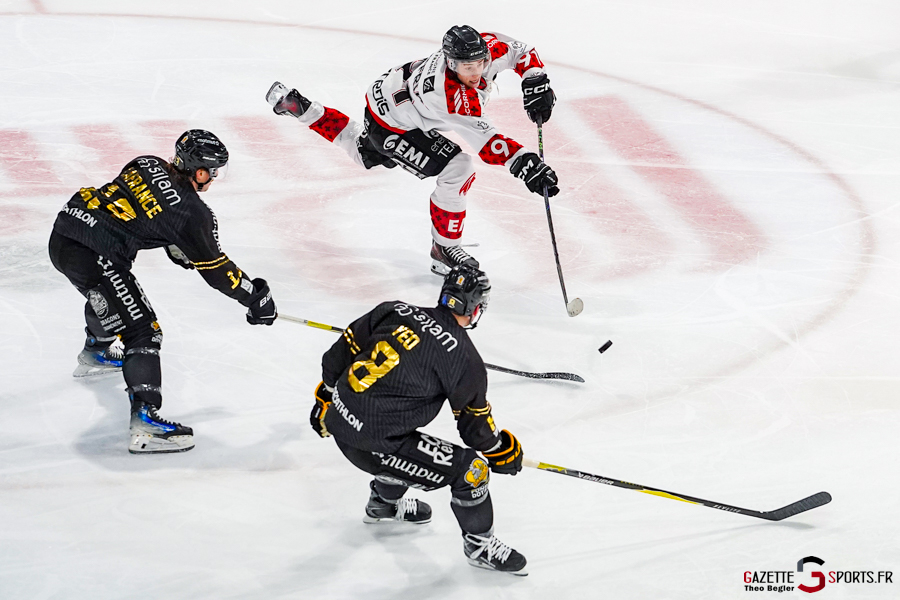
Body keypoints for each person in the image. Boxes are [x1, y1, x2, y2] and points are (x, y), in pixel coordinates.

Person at [49, 130, 277, 454]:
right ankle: (145, 422)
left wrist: (174, 242)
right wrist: (257, 297)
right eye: (213, 172)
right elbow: (219, 273)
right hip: (92, 253)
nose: (213, 179)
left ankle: (96, 351)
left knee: (109, 294)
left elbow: (147, 210)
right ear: (200, 172)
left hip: (64, 232)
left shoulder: (147, 163)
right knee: (143, 329)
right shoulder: (193, 213)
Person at [266, 24, 559, 276]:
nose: (476, 72)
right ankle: (445, 249)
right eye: (466, 68)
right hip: (392, 124)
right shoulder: (450, 97)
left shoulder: (484, 50)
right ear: (451, 63)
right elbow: (488, 144)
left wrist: (534, 78)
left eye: (480, 63)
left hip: (390, 93)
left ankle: (301, 108)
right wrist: (526, 165)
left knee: (363, 151)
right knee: (458, 169)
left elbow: (521, 51)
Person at [309, 264, 527, 575]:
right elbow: (475, 431)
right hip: (372, 443)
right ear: (476, 307)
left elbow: (336, 357)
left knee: (406, 442)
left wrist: (324, 400)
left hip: (337, 422)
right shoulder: (465, 359)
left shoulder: (394, 309)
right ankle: (479, 546)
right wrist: (501, 450)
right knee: (472, 471)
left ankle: (384, 504)